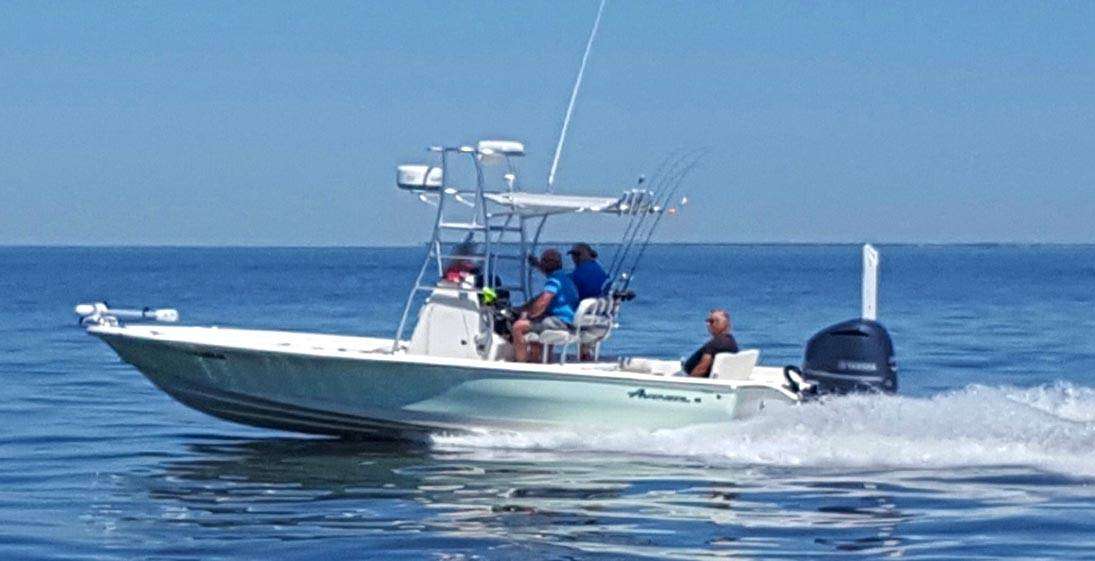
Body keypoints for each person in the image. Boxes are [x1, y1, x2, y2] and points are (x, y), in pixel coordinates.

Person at [511, 249, 579, 362]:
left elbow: (543, 302)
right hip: (567, 321)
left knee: (518, 327)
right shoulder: (564, 278)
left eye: (545, 261)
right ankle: (542, 359)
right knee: (539, 323)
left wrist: (527, 314)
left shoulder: (554, 281)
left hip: (559, 322)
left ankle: (521, 363)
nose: (543, 264)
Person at [683, 309, 739, 377]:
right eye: (708, 321)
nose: (708, 324)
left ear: (723, 323)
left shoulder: (714, 345)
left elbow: (701, 369)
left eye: (711, 321)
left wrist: (689, 381)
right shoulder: (731, 341)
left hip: (690, 379)